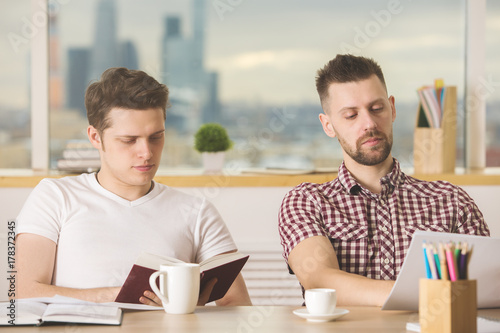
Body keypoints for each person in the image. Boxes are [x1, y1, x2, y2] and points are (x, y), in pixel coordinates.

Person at [16, 67, 251, 306]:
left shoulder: (197, 211)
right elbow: (23, 292)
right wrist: (116, 296)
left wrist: (187, 307)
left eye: (156, 137)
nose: (146, 153)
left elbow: (238, 307)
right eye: (129, 140)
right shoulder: (55, 197)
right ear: (95, 137)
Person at [278, 54, 490, 307]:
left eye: (377, 109)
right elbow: (321, 282)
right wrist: (432, 294)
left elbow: (485, 286)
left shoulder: (451, 201)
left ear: (392, 108)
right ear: (328, 125)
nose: (369, 123)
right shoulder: (307, 201)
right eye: (350, 115)